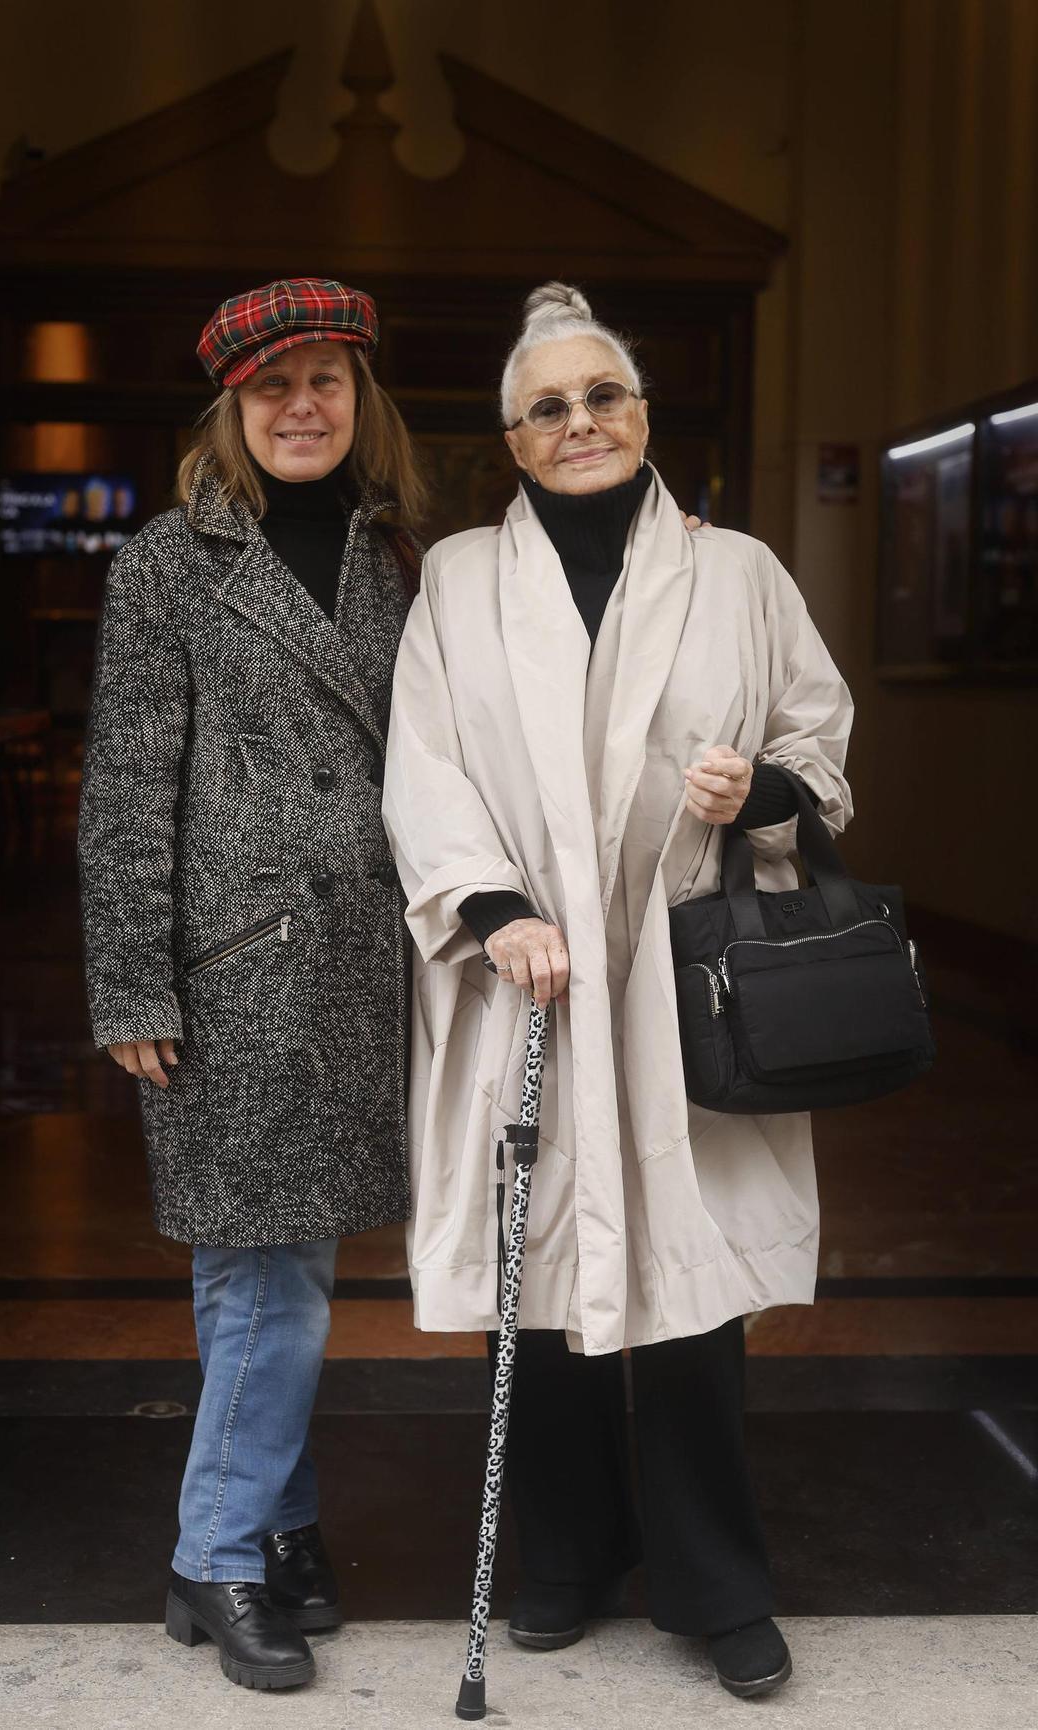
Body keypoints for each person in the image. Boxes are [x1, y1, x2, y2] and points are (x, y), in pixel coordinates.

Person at [382, 282, 854, 1700]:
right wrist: (492, 906)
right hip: (528, 973)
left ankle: (716, 1581)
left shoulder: (741, 571)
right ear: (513, 442)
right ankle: (568, 1557)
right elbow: (423, 759)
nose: (579, 422)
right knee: (537, 1271)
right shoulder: (459, 579)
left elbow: (816, 729)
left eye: (603, 397)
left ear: (643, 416)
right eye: (549, 407)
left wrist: (760, 789)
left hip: (682, 970)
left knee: (693, 1284)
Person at [78, 278, 426, 1694]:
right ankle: (216, 1552)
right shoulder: (170, 562)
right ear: (231, 408)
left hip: (360, 960)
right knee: (265, 1272)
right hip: (234, 971)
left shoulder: (399, 554)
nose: (301, 407)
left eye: (325, 381)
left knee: (289, 1262)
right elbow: (125, 784)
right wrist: (130, 982)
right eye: (272, 386)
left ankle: (278, 1525)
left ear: (359, 397)